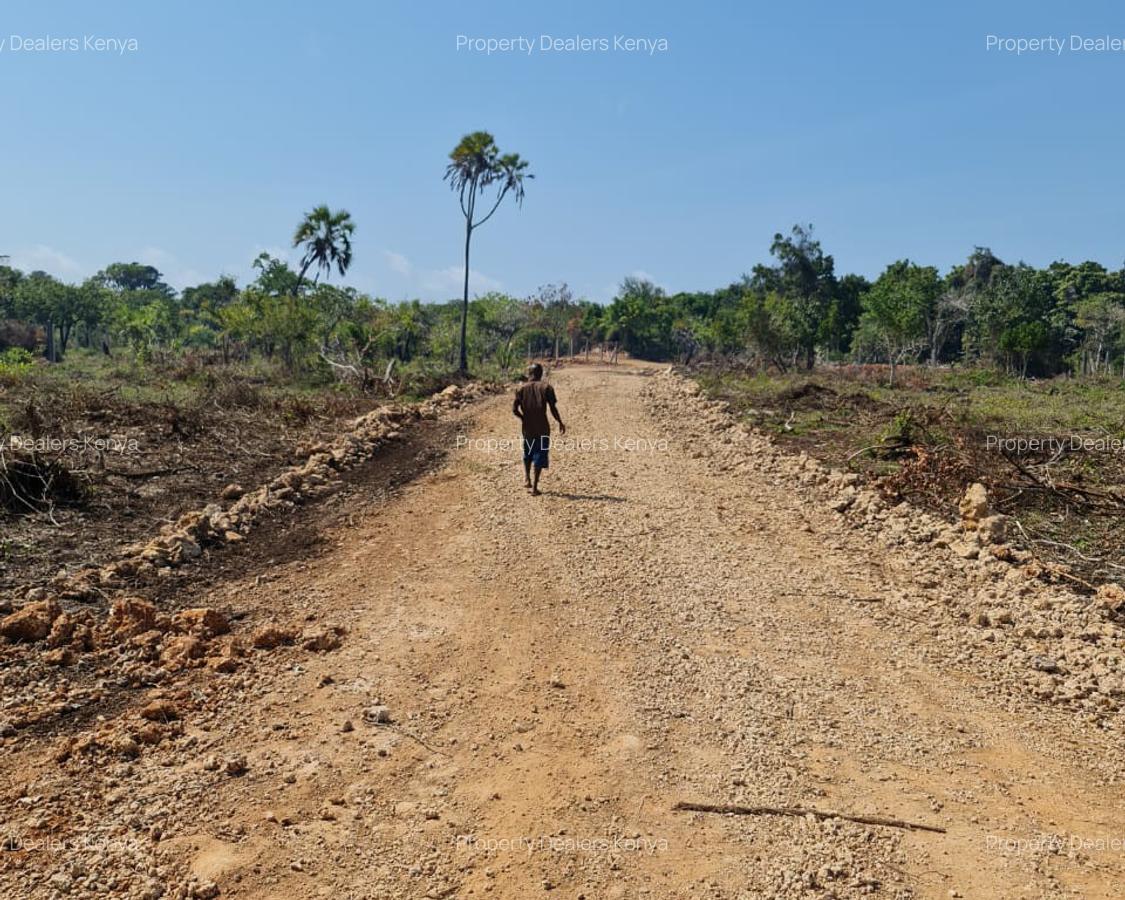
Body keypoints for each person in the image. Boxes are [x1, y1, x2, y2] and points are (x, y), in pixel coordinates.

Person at [513, 363, 565, 495]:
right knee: (539, 455)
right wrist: (560, 422)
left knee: (528, 452)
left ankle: (527, 478)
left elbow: (514, 410)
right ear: (541, 373)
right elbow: (553, 408)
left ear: (529, 374)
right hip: (542, 427)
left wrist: (523, 418)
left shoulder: (520, 389)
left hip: (527, 428)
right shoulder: (547, 388)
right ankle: (535, 487)